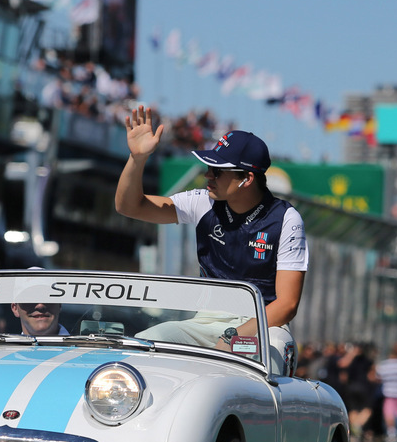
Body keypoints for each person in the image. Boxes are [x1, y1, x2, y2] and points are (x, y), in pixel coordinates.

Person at [115, 106, 307, 369]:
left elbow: (287, 304)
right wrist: (137, 159)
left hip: (264, 326)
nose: (207, 175)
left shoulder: (286, 218)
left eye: (217, 171)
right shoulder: (203, 201)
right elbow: (130, 207)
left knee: (263, 361)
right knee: (144, 346)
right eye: (208, 166)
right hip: (204, 322)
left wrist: (235, 336)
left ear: (247, 179)